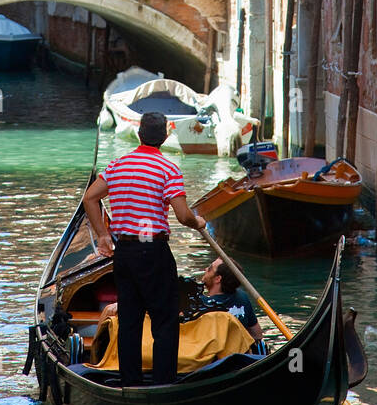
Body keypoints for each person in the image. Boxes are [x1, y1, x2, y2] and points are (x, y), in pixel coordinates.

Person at [83, 111, 206, 386]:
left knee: (129, 320)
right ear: (165, 136)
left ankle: (131, 384)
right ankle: (163, 385)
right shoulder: (168, 169)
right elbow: (183, 216)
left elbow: (89, 198)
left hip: (124, 254)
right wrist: (198, 221)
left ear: (139, 134)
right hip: (153, 253)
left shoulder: (117, 166)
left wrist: (103, 236)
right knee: (164, 321)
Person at [200, 258, 264, 342]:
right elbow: (257, 335)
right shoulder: (242, 297)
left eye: (210, 268)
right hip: (240, 352)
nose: (206, 269)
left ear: (217, 279)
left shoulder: (200, 303)